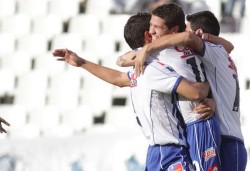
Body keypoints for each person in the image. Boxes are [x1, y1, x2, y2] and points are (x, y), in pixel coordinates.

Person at [52, 12, 212, 171]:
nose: (157, 32)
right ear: (148, 35)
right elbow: (195, 92)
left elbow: (119, 78)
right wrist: (208, 89)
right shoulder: (152, 68)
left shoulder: (144, 69)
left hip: (161, 151)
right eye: (153, 28)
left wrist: (82, 63)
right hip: (168, 150)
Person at [118, 3, 233, 171]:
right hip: (192, 124)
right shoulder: (189, 46)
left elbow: (121, 61)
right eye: (151, 26)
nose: (151, 32)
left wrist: (145, 50)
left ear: (173, 30)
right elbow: (228, 47)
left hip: (199, 120)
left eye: (156, 27)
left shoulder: (162, 51)